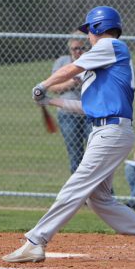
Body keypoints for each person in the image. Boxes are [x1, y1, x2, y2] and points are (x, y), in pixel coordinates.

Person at [2, 6, 135, 264]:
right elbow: (88, 108)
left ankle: (36, 241)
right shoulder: (103, 63)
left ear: (98, 28)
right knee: (99, 199)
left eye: (89, 31)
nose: (88, 38)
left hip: (111, 132)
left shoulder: (112, 46)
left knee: (76, 186)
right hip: (106, 130)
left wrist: (43, 84)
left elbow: (70, 70)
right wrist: (50, 102)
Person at [49, 37, 92, 174]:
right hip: (68, 115)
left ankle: (102, 192)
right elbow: (53, 87)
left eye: (81, 48)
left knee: (95, 154)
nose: (78, 51)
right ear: (70, 49)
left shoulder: (92, 61)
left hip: (89, 113)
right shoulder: (62, 62)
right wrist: (71, 84)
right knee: (75, 155)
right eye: (75, 48)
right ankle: (78, 192)